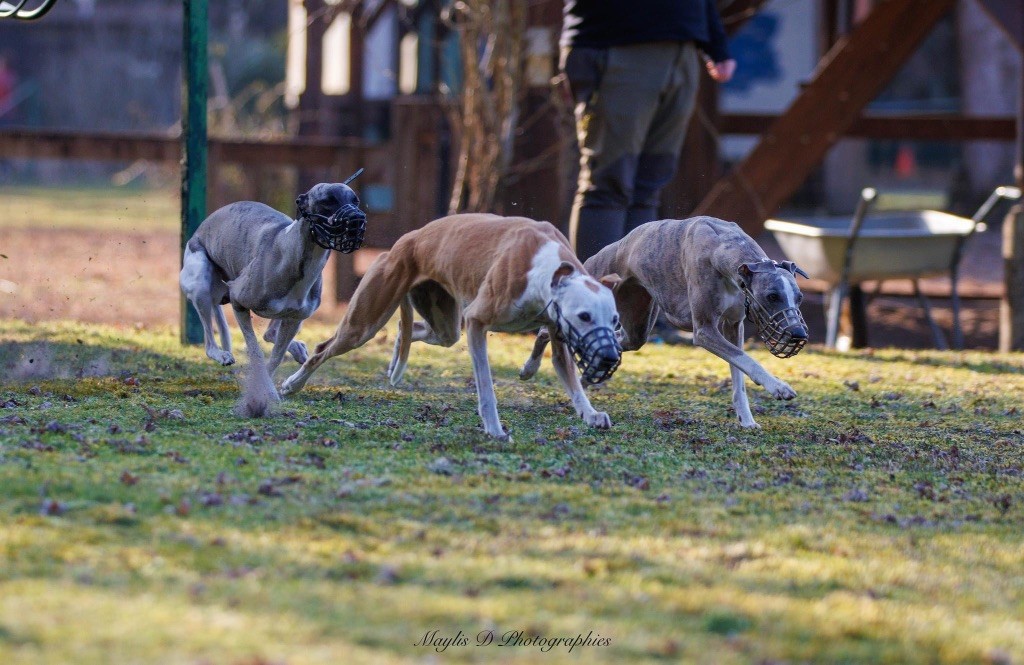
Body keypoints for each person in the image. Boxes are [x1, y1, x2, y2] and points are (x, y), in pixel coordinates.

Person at [560, 0, 737, 263]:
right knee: (608, 183)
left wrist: (716, 44)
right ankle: (595, 293)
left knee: (650, 184)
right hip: (616, 43)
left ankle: (637, 294)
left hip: (683, 47)